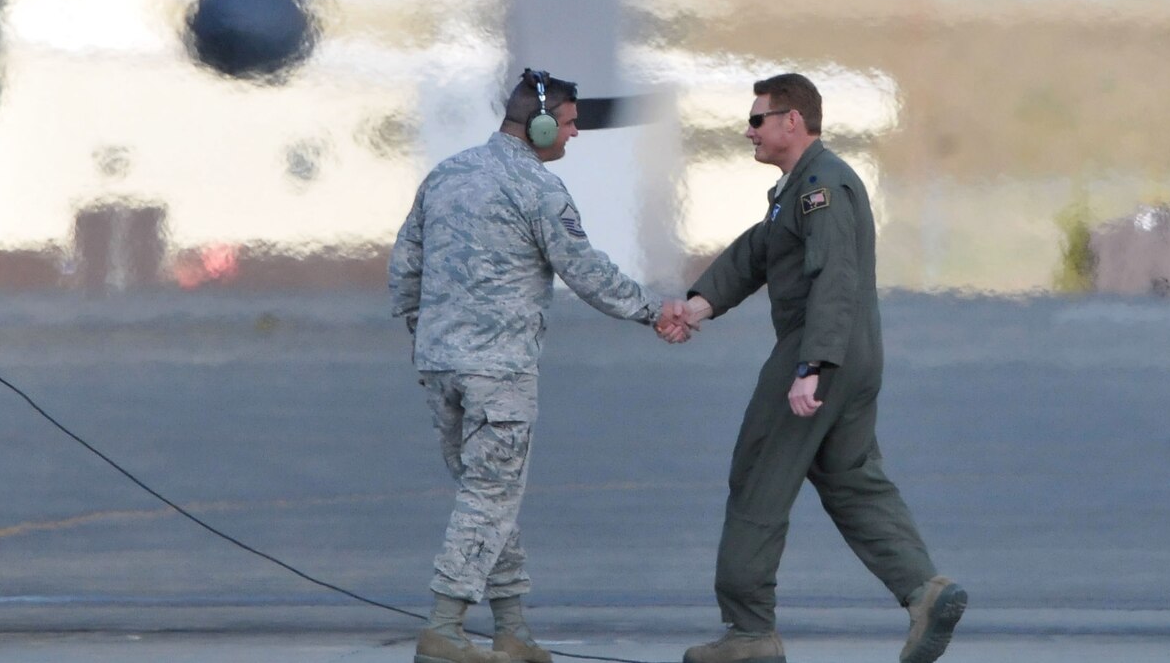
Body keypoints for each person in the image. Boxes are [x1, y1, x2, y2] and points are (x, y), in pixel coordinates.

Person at [658, 74, 965, 663]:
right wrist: (697, 307)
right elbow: (757, 252)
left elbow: (834, 278)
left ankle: (749, 631)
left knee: (759, 476)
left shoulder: (821, 188)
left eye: (757, 119)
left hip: (820, 346)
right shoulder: (801, 189)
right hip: (853, 351)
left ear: (790, 121)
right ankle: (926, 591)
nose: (748, 131)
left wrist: (811, 366)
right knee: (851, 480)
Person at [390, 70, 686, 663]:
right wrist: (653, 311)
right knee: (490, 497)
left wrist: (428, 338)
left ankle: (513, 629)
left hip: (440, 365)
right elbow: (585, 269)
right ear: (542, 124)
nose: (574, 136)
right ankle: (445, 627)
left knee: (487, 493)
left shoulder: (445, 174)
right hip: (499, 371)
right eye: (571, 124)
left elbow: (405, 270)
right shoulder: (537, 188)